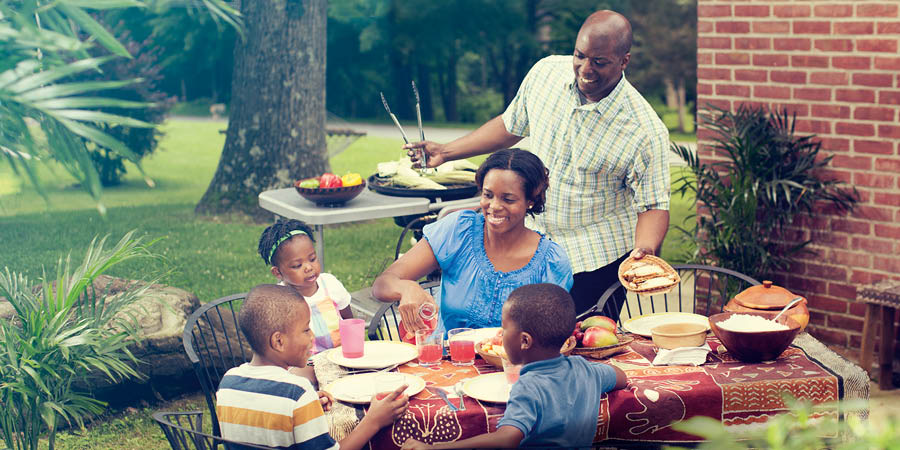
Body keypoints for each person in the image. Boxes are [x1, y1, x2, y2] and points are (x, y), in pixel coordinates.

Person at [404, 10, 670, 321]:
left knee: (581, 350)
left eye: (599, 62)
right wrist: (447, 151)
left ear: (624, 61)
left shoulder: (644, 130)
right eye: (580, 56)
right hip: (530, 248)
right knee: (517, 345)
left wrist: (644, 251)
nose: (585, 68)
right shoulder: (545, 74)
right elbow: (509, 126)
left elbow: (653, 204)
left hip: (594, 260)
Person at [401, 283, 627, 449]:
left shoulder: (528, 386)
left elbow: (507, 438)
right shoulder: (583, 368)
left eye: (505, 328)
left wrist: (436, 447)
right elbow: (621, 378)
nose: (500, 333)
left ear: (525, 341)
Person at [372, 149, 573, 334]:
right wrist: (407, 288)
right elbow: (382, 284)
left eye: (508, 199)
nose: (494, 206)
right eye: (488, 195)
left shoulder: (551, 262)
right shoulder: (459, 231)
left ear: (530, 201)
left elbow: (550, 338)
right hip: (448, 365)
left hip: (515, 369)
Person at [216, 284, 409, 450]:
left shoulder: (228, 382)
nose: (312, 336)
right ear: (279, 341)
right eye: (306, 329)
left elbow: (265, 418)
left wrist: (302, 411)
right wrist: (374, 420)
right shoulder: (298, 392)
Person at [258, 219, 353, 382]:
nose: (308, 267)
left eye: (312, 259)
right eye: (297, 265)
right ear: (278, 273)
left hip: (341, 358)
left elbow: (349, 320)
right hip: (306, 366)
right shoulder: (279, 299)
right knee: (300, 378)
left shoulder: (329, 284)